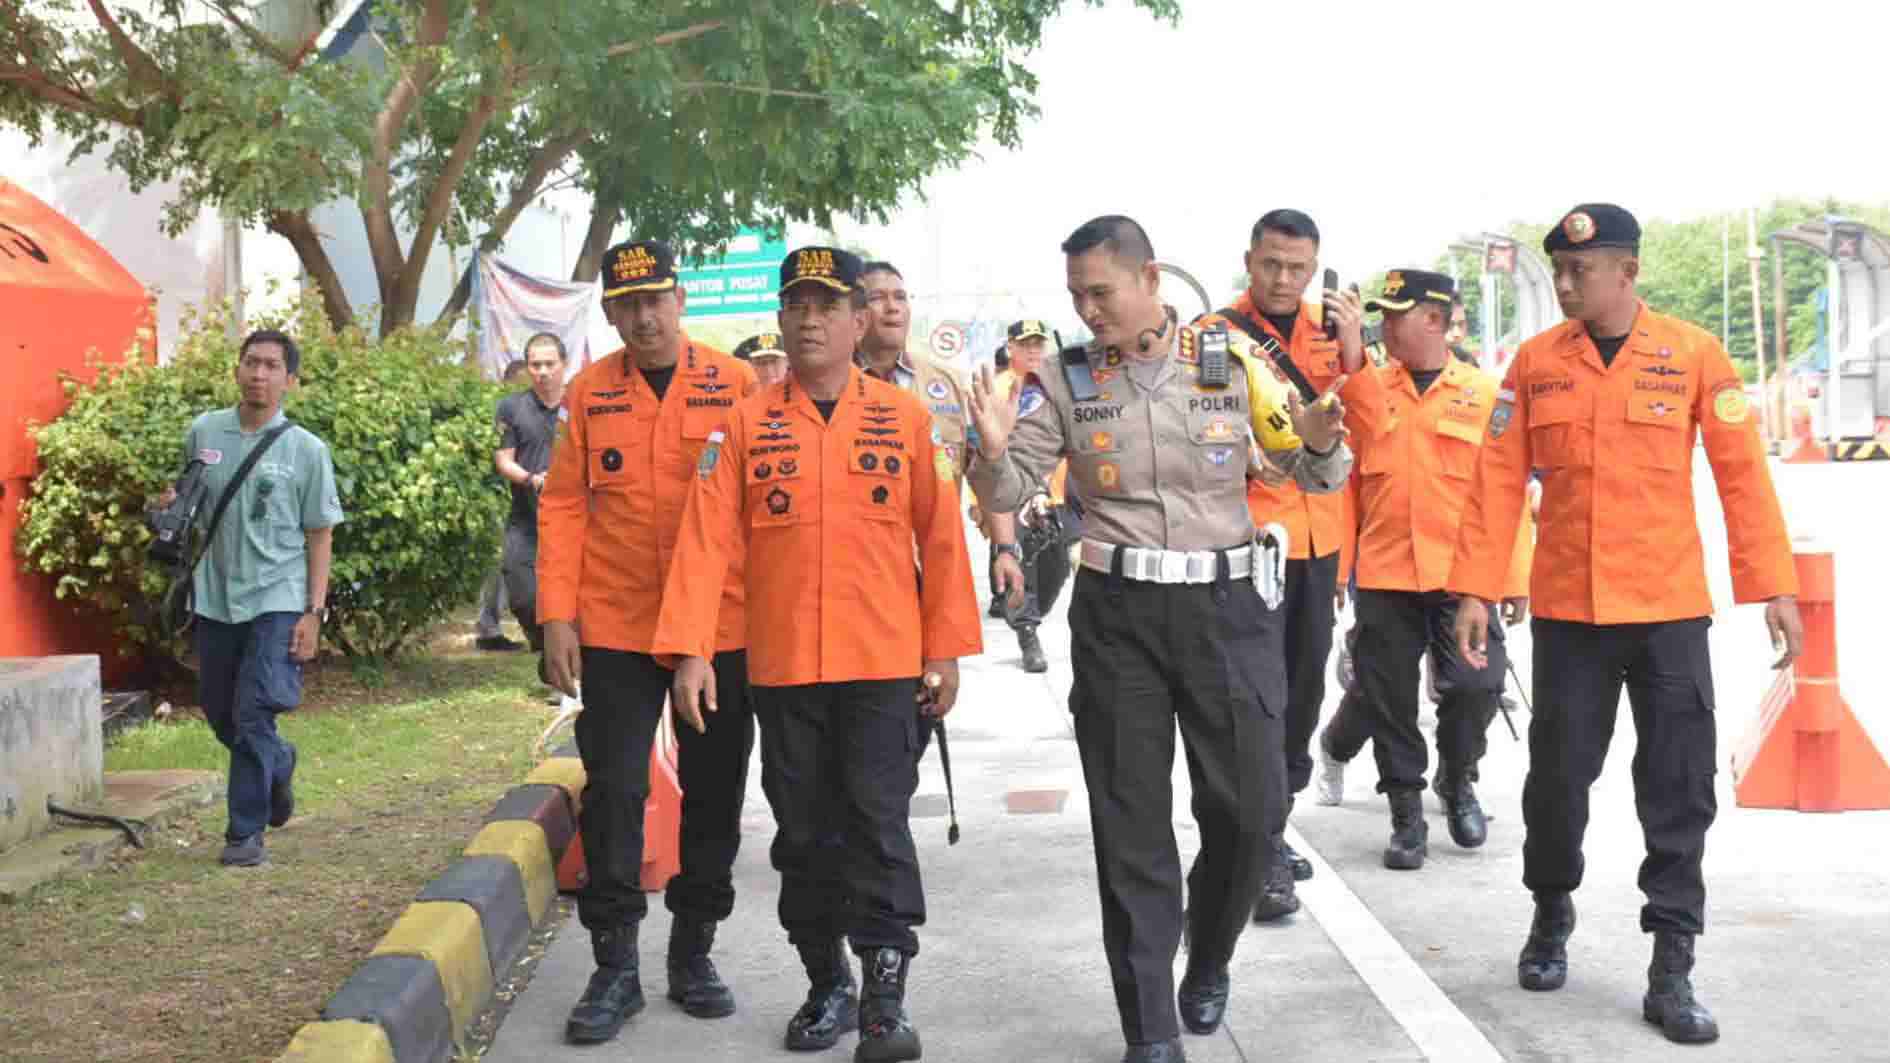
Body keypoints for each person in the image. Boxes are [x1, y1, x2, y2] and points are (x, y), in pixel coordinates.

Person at [967, 215, 1361, 1063]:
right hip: (1119, 621)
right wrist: (988, 455)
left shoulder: (1229, 364)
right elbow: (1010, 477)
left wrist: (1322, 443)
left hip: (1227, 613)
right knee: (1130, 825)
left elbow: (1306, 461)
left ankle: (1209, 953)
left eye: (1099, 291)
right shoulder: (1068, 380)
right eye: (1076, 295)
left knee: (1252, 812)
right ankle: (1149, 1027)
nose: (1087, 309)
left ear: (1148, 277)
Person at [1450, 203, 1804, 1045]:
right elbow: (1496, 482)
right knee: (1557, 781)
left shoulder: (1690, 355)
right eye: (1559, 272)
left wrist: (1773, 586)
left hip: (1669, 611)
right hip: (1570, 613)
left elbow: (1742, 476)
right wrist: (1473, 588)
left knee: (1679, 786)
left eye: (1581, 271)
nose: (1565, 284)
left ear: (1628, 272)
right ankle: (1550, 912)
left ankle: (1672, 962)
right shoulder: (1535, 364)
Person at [657, 246, 982, 1063]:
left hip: (884, 661)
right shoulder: (744, 422)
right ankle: (824, 977)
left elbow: (942, 539)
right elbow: (703, 542)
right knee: (803, 831)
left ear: (858, 319)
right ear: (780, 316)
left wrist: (943, 651)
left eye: (826, 304)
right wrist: (693, 651)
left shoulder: (906, 420)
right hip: (785, 665)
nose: (808, 318)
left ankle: (883, 997)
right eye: (795, 303)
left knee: (876, 822)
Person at [536, 239, 761, 1046]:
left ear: (680, 300)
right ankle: (615, 964)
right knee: (617, 790)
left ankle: (693, 951)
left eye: (655, 299)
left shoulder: (733, 384)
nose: (643, 317)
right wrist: (556, 615)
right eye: (626, 305)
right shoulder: (590, 394)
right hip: (619, 626)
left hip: (719, 625)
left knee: (714, 794)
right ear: (609, 313)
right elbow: (562, 507)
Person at [1309, 270, 1531, 868]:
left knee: (1478, 688)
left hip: (1465, 579)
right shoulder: (1370, 389)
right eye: (1379, 317)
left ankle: (1457, 781)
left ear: (1433, 319)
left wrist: (1510, 577)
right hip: (1386, 574)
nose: (1385, 326)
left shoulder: (1487, 394)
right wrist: (1337, 569)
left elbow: (1508, 492)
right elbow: (1345, 487)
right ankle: (1406, 813)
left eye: (1395, 315)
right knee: (1388, 700)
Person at [1195, 208, 1367, 921]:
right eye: (1271, 264)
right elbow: (1206, 432)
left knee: (1299, 696)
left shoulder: (1333, 334)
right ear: (1248, 259)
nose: (1285, 279)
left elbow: (1367, 432)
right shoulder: (1214, 336)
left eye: (1298, 267)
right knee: (1252, 701)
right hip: (1248, 545)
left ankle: (1273, 818)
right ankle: (1260, 846)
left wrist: (1356, 353)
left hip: (1320, 543)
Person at [175, 328, 343, 868]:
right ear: (236, 370)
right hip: (215, 597)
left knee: (250, 714)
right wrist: (168, 507)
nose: (259, 374)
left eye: (272, 366)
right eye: (251, 363)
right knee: (220, 713)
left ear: (290, 380)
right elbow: (189, 500)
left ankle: (243, 835)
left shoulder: (306, 450)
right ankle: (279, 761)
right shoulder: (205, 431)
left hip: (277, 598)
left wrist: (313, 613)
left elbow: (320, 533)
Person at [980, 318, 1077, 673]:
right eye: (1026, 344)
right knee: (1022, 567)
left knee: (1058, 568)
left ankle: (1030, 616)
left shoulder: (1059, 385)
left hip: (1056, 496)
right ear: (1011, 348)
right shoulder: (996, 389)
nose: (1034, 350)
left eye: (1039, 343)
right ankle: (1027, 633)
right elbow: (986, 453)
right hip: (1013, 499)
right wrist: (983, 505)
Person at [493, 335, 565, 697]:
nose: (542, 372)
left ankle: (562, 673)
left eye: (550, 364)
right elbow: (503, 458)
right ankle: (548, 655)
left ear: (563, 365)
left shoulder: (579, 405)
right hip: (526, 520)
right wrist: (530, 479)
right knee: (522, 594)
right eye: (536, 364)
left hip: (571, 524)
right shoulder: (511, 407)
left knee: (568, 601)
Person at [476, 358, 528, 651]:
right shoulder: (499, 414)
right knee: (499, 564)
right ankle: (488, 629)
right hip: (497, 498)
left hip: (519, 498)